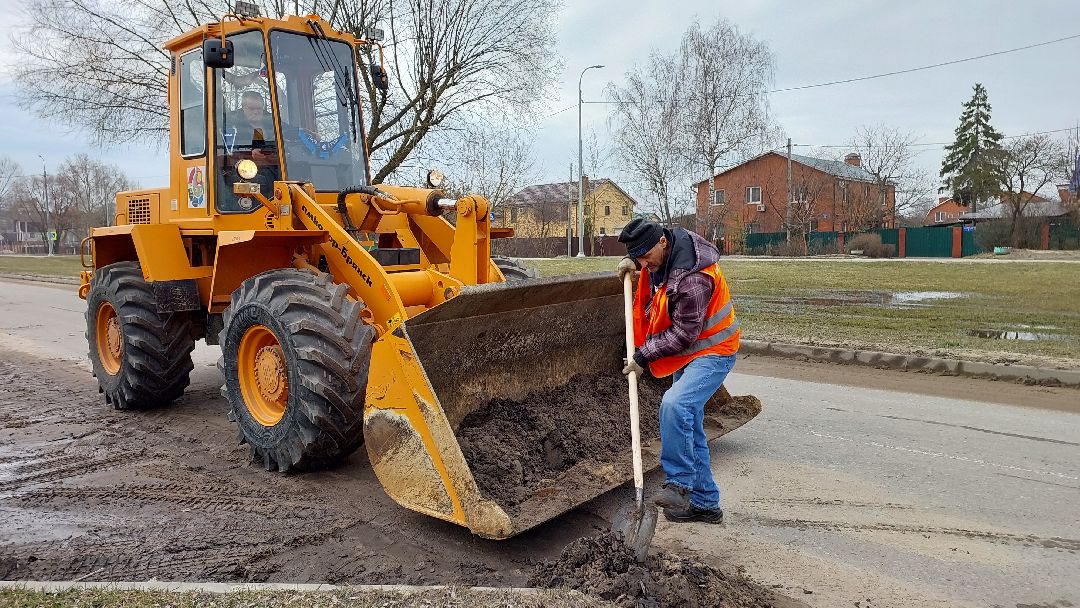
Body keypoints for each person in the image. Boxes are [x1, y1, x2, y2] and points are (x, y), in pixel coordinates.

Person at [617, 218, 740, 524]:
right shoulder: (666, 248)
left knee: (675, 405)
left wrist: (643, 356)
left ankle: (679, 485)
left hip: (714, 350)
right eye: (639, 258)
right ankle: (706, 504)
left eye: (645, 257)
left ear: (662, 242)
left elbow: (684, 334)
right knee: (689, 426)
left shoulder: (694, 278)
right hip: (691, 352)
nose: (644, 265)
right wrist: (630, 262)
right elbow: (647, 259)